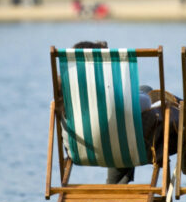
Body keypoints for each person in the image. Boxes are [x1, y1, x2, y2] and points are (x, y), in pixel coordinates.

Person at [66, 41, 178, 185]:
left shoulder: (68, 97)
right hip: (117, 145)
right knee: (128, 122)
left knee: (124, 119)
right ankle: (116, 184)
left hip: (81, 149)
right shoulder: (110, 96)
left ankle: (114, 184)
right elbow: (145, 103)